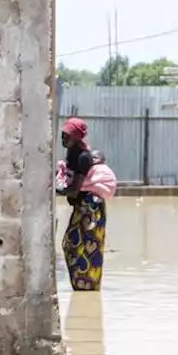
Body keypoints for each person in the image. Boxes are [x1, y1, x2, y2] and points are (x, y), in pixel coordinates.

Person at [58, 117, 108, 291]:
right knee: (74, 246)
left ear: (77, 137)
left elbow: (75, 189)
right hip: (82, 207)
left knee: (86, 248)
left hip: (90, 208)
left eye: (67, 136)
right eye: (62, 135)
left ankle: (88, 290)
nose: (64, 139)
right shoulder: (72, 153)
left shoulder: (82, 157)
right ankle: (81, 287)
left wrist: (59, 190)